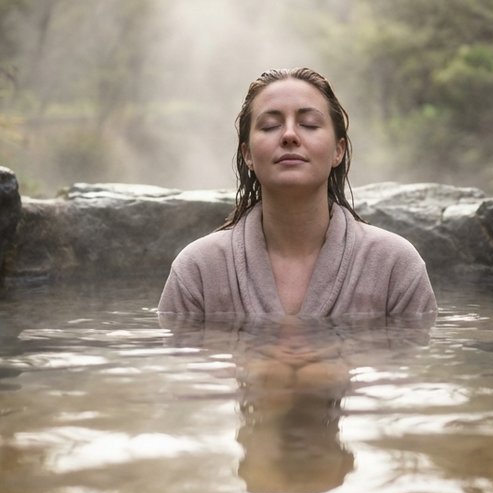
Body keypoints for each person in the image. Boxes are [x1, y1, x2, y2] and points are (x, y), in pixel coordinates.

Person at [158, 67, 436, 317]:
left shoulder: (394, 266)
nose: (289, 135)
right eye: (270, 126)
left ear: (338, 150)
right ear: (248, 155)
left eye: (309, 124)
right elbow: (183, 369)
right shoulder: (199, 270)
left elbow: (410, 368)